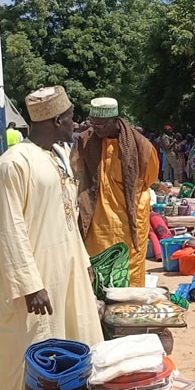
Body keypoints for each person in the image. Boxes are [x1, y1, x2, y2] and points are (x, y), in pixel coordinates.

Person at [0, 86, 102, 390]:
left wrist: (83, 260)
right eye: (69, 118)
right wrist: (30, 285)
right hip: (37, 279)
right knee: (32, 349)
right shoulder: (13, 164)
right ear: (55, 121)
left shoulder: (57, 157)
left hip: (68, 269)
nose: (74, 124)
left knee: (75, 339)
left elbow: (67, 220)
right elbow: (9, 229)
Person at [73, 97, 160, 287]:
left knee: (129, 268)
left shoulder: (140, 145)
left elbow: (149, 177)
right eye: (93, 123)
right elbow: (76, 171)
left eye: (101, 124)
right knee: (97, 265)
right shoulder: (85, 141)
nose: (95, 128)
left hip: (129, 217)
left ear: (114, 120)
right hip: (97, 219)